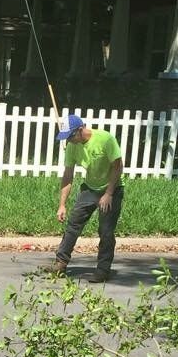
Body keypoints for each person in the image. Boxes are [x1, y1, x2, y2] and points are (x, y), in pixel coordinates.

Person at [51, 114, 124, 282]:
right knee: (73, 223)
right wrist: (62, 205)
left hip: (112, 188)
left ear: (80, 130)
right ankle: (60, 263)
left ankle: (103, 270)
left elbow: (118, 166)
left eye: (70, 136)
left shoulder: (105, 139)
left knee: (105, 231)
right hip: (90, 188)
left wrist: (109, 194)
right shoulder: (72, 146)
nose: (68, 141)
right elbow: (68, 175)